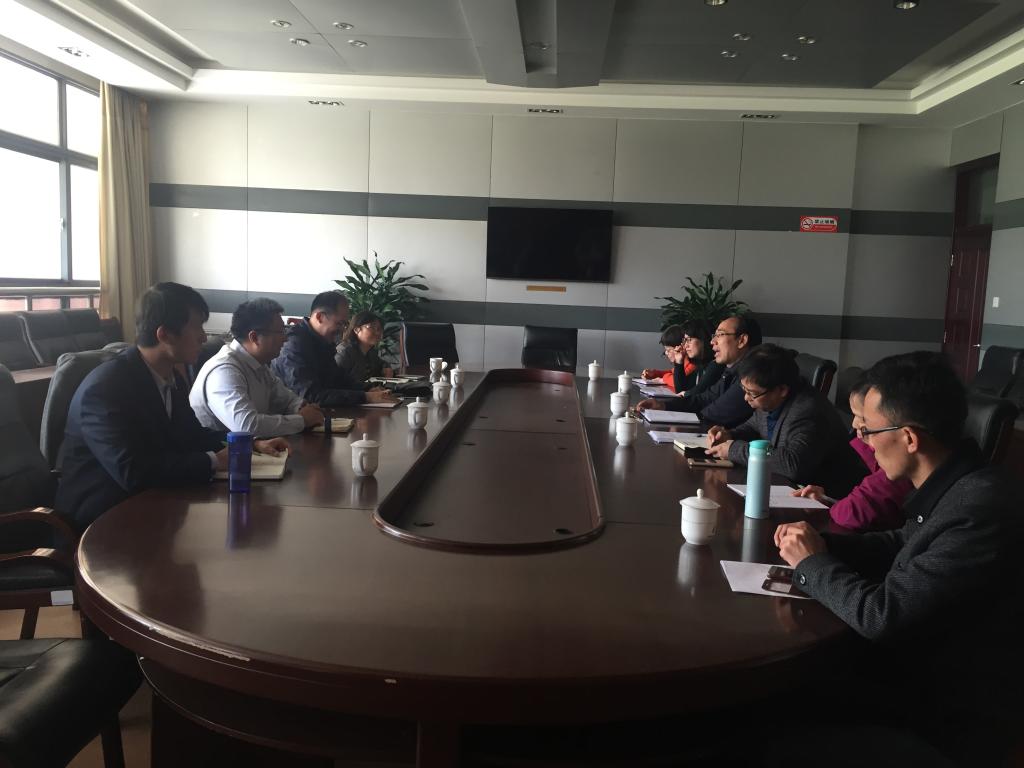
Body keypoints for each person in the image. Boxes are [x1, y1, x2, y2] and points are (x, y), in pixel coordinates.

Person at [774, 351, 1021, 766]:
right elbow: (902, 543)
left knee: (764, 723)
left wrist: (813, 565)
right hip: (908, 679)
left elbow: (882, 616)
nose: (864, 441)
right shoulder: (957, 484)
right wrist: (823, 546)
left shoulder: (979, 507)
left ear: (909, 438)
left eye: (869, 430)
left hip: (941, 718)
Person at [56, 283, 289, 531]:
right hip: (102, 521)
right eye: (197, 327)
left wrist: (249, 444)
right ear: (165, 334)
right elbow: (132, 472)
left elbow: (192, 435)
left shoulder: (169, 376)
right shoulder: (106, 388)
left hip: (156, 506)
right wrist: (213, 461)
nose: (203, 337)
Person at [706, 343, 867, 499]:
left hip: (825, 499)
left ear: (782, 390)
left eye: (752, 393)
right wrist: (729, 435)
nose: (746, 398)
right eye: (744, 390)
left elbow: (793, 465)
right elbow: (754, 426)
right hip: (789, 489)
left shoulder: (807, 410)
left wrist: (734, 449)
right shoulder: (769, 398)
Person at [791, 372, 912, 531]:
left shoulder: (897, 466)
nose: (854, 424)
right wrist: (830, 501)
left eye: (863, 418)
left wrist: (836, 507)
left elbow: (858, 508)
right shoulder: (875, 454)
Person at [190, 298, 324, 437]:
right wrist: (302, 420)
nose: (285, 339)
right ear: (254, 337)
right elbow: (246, 426)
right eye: (280, 332)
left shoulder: (258, 364)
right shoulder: (225, 371)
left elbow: (286, 400)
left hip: (255, 447)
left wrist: (302, 408)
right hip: (221, 449)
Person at [272, 291, 396, 407]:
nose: (342, 330)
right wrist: (365, 397)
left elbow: (339, 379)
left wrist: (368, 389)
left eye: (345, 324)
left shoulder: (323, 341)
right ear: (320, 317)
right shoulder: (293, 345)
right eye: (339, 323)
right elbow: (310, 396)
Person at [637, 314, 761, 429]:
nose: (712, 342)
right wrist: (663, 405)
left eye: (720, 335)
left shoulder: (752, 374)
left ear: (742, 340)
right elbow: (704, 399)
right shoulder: (731, 369)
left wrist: (680, 417)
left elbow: (716, 413)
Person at [641, 321, 723, 395]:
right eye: (685, 341)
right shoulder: (700, 364)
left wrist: (663, 378)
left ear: (703, 338)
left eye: (689, 340)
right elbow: (681, 389)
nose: (685, 345)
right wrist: (679, 363)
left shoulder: (714, 365)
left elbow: (693, 394)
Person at [336, 310, 394, 383]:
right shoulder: (344, 352)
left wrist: (387, 368)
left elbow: (381, 363)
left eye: (379, 328)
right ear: (357, 330)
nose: (377, 332)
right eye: (372, 327)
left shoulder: (371, 352)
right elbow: (335, 382)